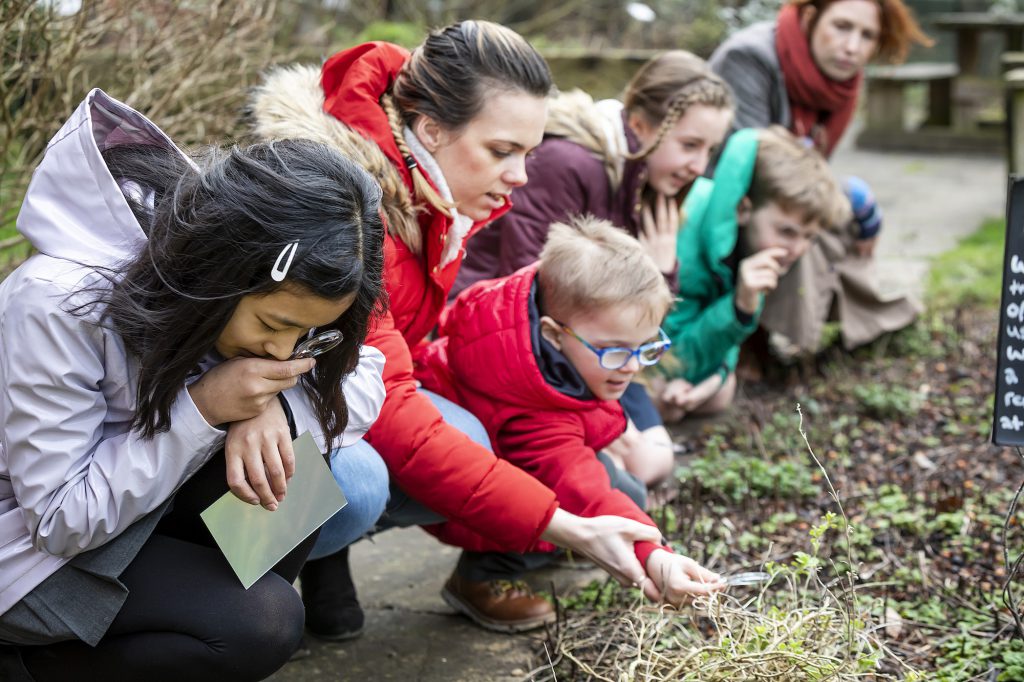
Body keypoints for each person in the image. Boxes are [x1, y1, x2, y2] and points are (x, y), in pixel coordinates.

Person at [249, 20, 665, 637]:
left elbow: (399, 356)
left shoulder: (422, 191)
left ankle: (311, 558)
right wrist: (563, 524)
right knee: (364, 482)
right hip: (236, 435)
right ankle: (227, 568)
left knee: (470, 428)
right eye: (502, 151)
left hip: (320, 405)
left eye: (529, 151)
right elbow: (392, 411)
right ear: (431, 129)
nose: (522, 176)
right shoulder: (349, 216)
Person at [0, 89, 388, 681]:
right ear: (223, 272)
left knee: (297, 470)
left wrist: (269, 405)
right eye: (273, 326)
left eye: (308, 334)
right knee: (260, 623)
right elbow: (60, 520)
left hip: (131, 510)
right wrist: (206, 408)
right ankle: (37, 666)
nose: (284, 351)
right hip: (28, 554)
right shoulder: (58, 303)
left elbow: (366, 377)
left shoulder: (230, 291)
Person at [414, 217, 724, 631]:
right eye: (613, 350)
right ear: (555, 335)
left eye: (644, 346)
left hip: (509, 460)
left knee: (627, 488)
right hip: (462, 494)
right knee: (572, 506)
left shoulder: (538, 316)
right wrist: (653, 554)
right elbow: (578, 487)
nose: (632, 367)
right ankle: (480, 577)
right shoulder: (528, 399)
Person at [450, 49, 734, 487]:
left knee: (657, 458)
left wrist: (662, 276)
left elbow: (641, 318)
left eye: (709, 150)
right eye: (690, 145)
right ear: (639, 125)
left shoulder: (646, 183)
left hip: (595, 349)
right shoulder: (570, 163)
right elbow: (534, 295)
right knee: (641, 470)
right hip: (517, 341)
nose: (699, 166)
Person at [708, 0, 929, 354]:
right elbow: (758, 172)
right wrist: (853, 194)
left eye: (867, 35)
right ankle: (753, 338)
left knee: (838, 223)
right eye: (841, 26)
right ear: (811, 18)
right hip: (728, 209)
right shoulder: (749, 58)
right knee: (804, 221)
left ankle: (869, 321)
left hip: (780, 198)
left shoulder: (840, 82)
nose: (852, 47)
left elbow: (810, 173)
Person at [655, 126, 850, 420]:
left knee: (719, 392)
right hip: (630, 355)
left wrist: (718, 374)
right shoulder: (685, 248)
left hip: (677, 351)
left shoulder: (736, 241)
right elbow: (661, 357)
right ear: (743, 209)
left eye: (809, 237)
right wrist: (738, 308)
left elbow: (721, 349)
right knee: (666, 398)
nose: (797, 249)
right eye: (787, 232)